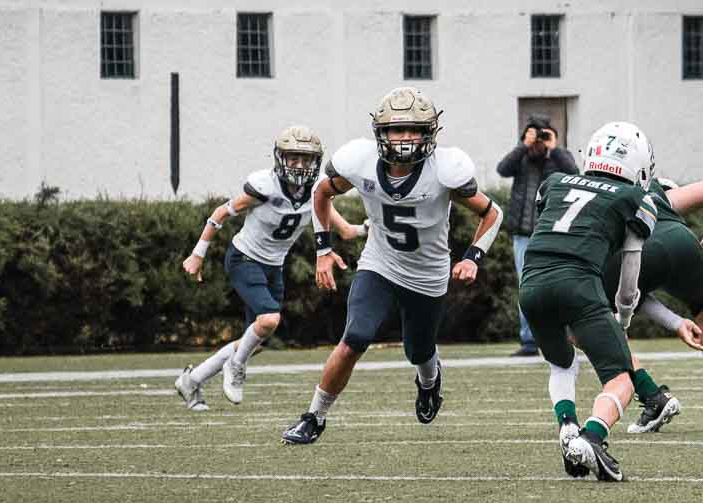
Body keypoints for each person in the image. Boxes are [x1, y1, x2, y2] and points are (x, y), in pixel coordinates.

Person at [282, 88, 503, 445]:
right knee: (355, 338)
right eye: (397, 129)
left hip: (428, 274)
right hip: (380, 264)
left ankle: (429, 384)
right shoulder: (360, 160)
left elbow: (492, 213)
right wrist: (323, 249)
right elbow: (321, 193)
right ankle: (314, 417)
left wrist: (472, 256)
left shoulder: (445, 169)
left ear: (429, 133)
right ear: (381, 133)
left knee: (419, 350)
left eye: (414, 130)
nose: (404, 138)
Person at [519, 122, 664, 481]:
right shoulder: (634, 199)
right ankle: (592, 437)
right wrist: (623, 319)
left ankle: (568, 426)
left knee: (562, 364)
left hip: (531, 285)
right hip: (577, 285)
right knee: (621, 379)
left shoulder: (556, 182)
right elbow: (629, 281)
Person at [176, 126, 360, 410]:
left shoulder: (316, 193)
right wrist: (197, 254)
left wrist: (376, 227)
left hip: (274, 267)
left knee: (256, 339)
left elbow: (346, 230)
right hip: (244, 259)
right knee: (269, 320)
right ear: (280, 158)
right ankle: (235, 366)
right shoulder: (265, 187)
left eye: (306, 159)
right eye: (293, 158)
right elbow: (220, 213)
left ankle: (191, 381)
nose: (299, 165)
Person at [604, 171, 703, 430]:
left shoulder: (605, 193)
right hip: (680, 241)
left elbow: (629, 290)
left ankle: (652, 396)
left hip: (631, 253)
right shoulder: (657, 193)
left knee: (594, 323)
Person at [495, 116, 579, 357]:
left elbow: (574, 173)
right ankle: (529, 342)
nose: (539, 141)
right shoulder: (520, 158)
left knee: (558, 286)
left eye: (544, 135)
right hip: (523, 235)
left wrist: (555, 149)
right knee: (527, 288)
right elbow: (502, 169)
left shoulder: (558, 159)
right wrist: (524, 145)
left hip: (553, 234)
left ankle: (563, 338)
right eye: (535, 135)